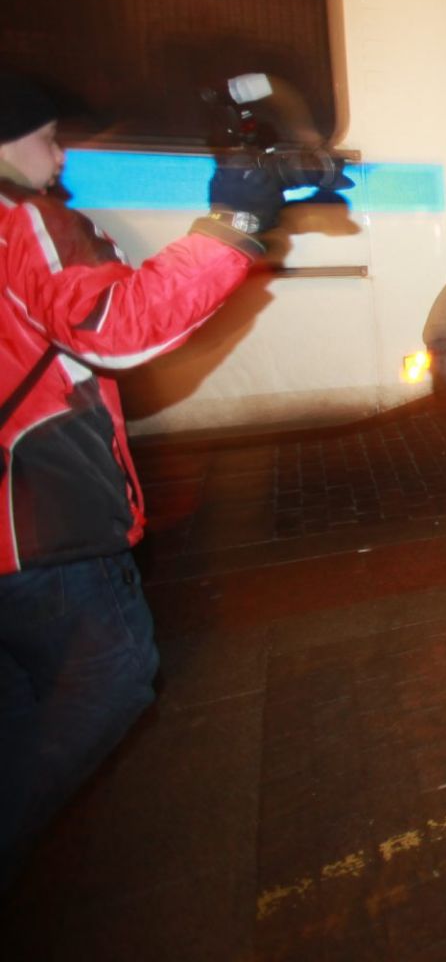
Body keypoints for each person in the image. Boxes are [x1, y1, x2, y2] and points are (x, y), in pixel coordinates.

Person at [0, 73, 287, 886]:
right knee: (111, 675)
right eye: (47, 137)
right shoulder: (24, 218)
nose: (58, 156)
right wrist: (230, 225)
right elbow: (114, 328)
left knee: (25, 694)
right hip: (37, 520)